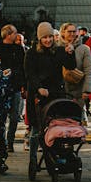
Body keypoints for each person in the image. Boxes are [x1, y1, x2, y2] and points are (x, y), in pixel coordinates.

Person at [23, 23, 66, 163]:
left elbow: (69, 66)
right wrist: (39, 88)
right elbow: (30, 73)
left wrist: (70, 53)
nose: (48, 40)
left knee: (55, 127)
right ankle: (33, 159)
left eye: (50, 37)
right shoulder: (32, 53)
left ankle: (54, 156)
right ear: (39, 38)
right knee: (36, 129)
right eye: (44, 37)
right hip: (38, 95)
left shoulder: (58, 51)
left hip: (54, 94)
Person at [0, 25, 27, 153]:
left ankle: (10, 141)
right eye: (14, 33)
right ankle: (0, 141)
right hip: (1, 87)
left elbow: (24, 67)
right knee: (1, 117)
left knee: (14, 116)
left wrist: (23, 83)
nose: (16, 35)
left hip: (16, 86)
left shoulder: (19, 49)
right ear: (8, 34)